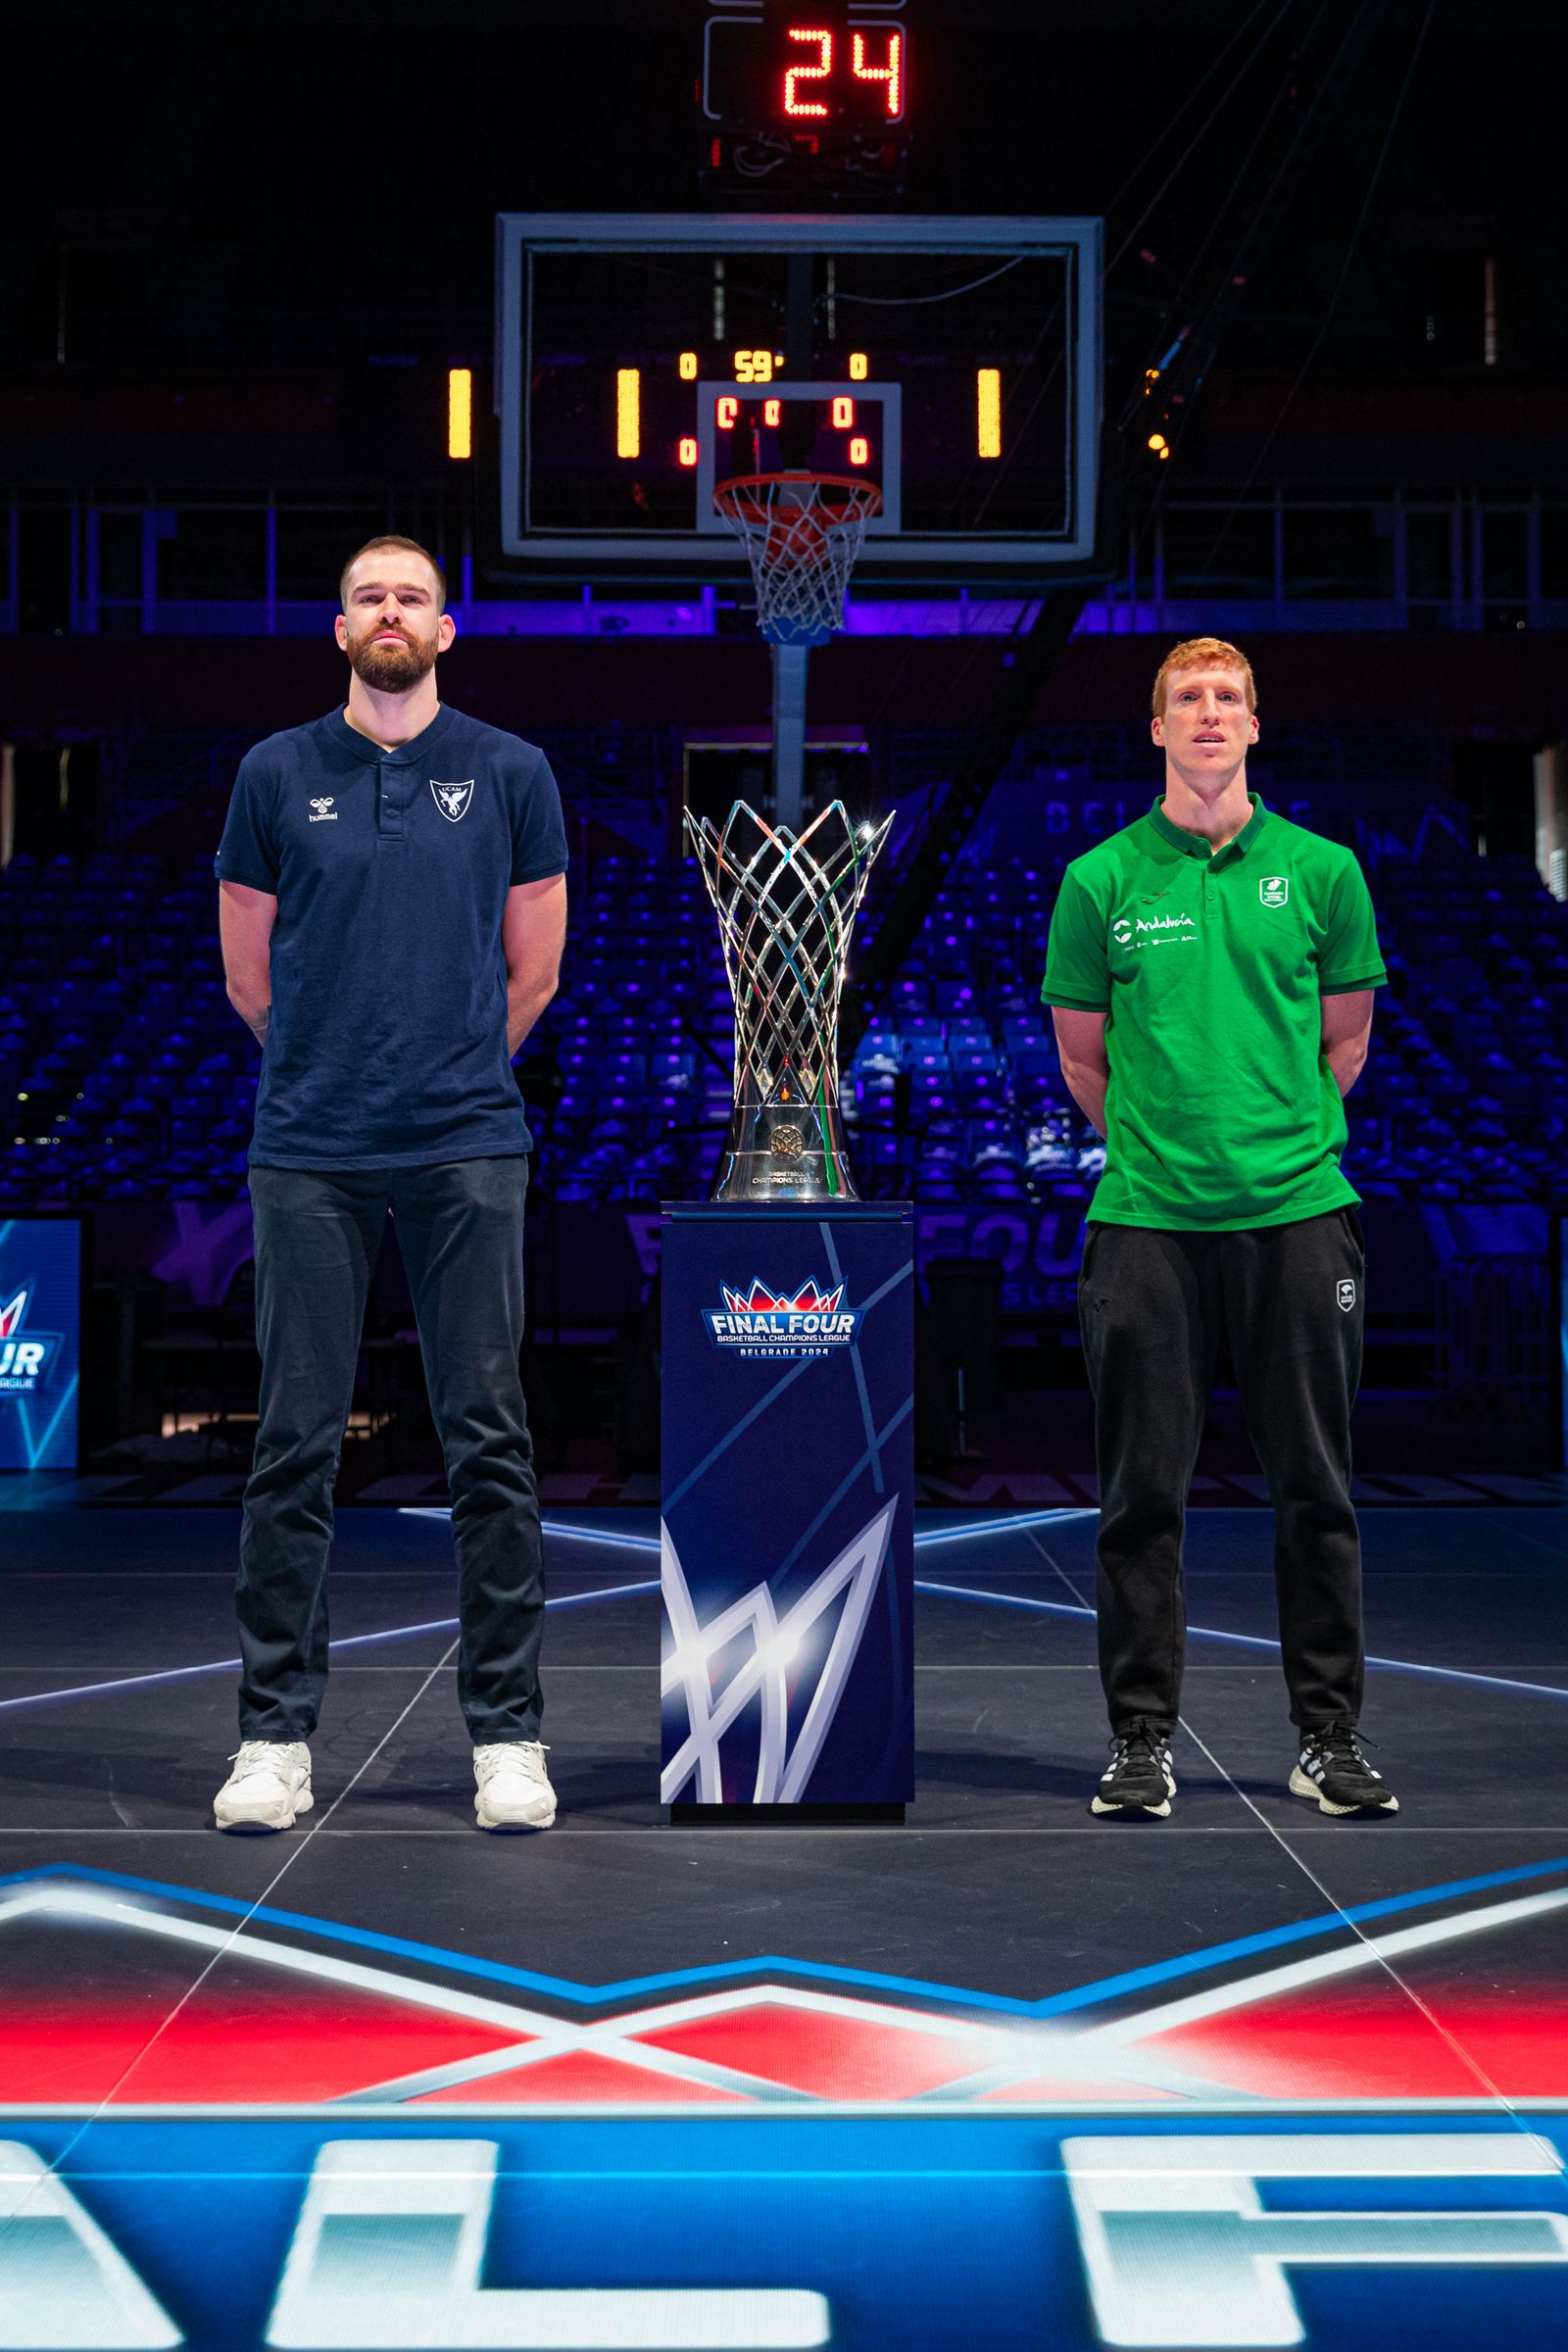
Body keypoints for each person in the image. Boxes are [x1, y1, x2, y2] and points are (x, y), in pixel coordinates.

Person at [212, 535, 568, 1834]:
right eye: (369, 596)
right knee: (292, 1448)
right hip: (309, 1145)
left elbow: (535, 971)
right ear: (341, 627)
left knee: (490, 1442)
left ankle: (508, 1738)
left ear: (444, 628)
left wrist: (451, 1070)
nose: (391, 612)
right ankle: (272, 1739)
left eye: (412, 597)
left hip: (466, 1142)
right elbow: (247, 975)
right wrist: (331, 1069)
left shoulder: (511, 770)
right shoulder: (274, 771)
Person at [1043, 636, 1397, 1822]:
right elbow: (1082, 1060)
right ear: (1156, 729)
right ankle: (1140, 1741)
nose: (1207, 713)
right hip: (1146, 1224)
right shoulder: (1099, 879)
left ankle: (1327, 1736)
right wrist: (1168, 1150)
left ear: (1253, 725)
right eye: (1186, 698)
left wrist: (1274, 1146)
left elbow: (1345, 1041)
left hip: (1299, 1218)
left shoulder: (1322, 870)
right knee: (1140, 1499)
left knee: (1317, 1491)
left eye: (1227, 698)